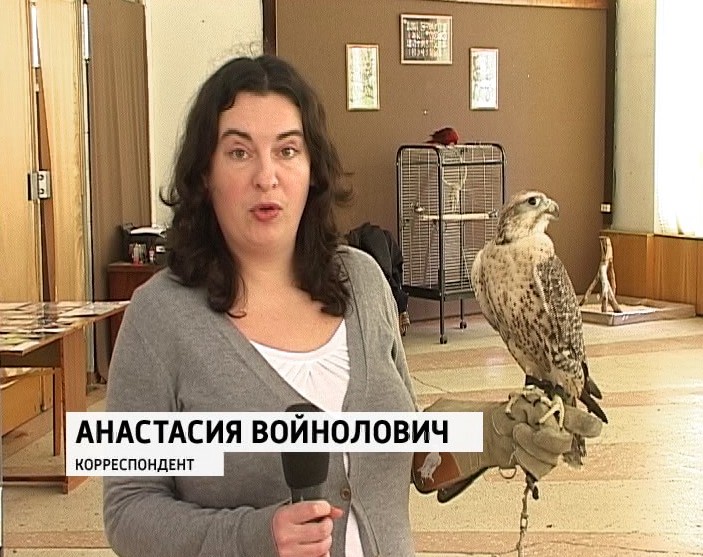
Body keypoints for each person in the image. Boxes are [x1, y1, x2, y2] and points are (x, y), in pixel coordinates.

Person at [103, 54, 601, 557]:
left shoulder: (361, 282)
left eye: (287, 150)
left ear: (312, 170)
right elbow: (129, 510)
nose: (266, 176)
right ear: (205, 173)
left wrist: (491, 435)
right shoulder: (160, 319)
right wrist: (254, 536)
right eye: (238, 152)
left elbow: (404, 450)